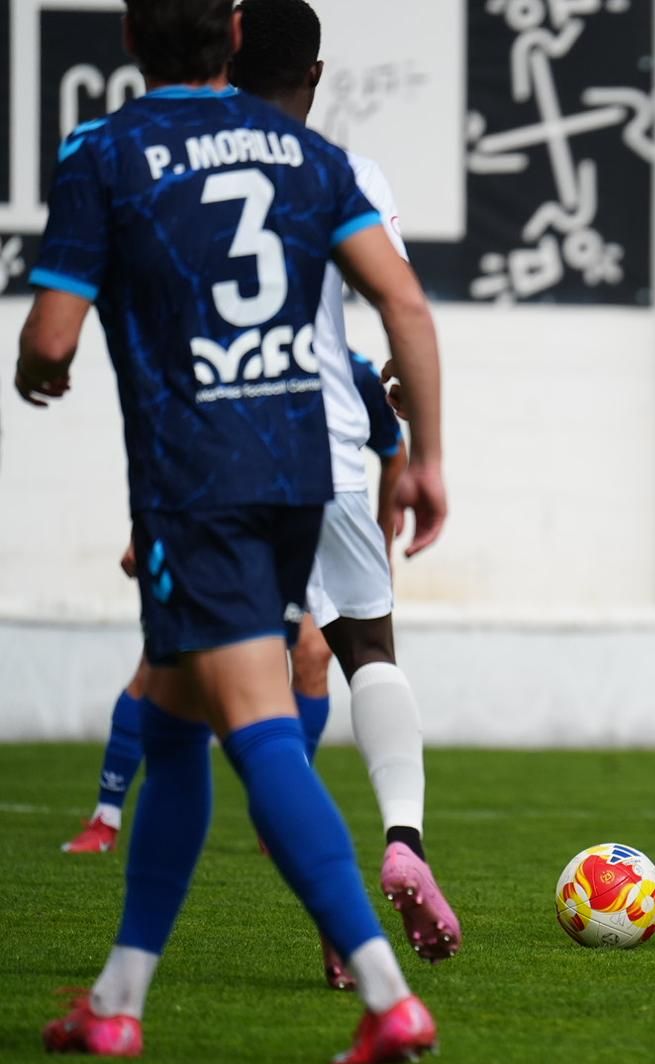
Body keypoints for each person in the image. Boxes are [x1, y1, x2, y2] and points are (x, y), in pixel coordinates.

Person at [18, 1, 445, 1061]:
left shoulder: (102, 149)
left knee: (252, 721)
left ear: (126, 37)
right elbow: (406, 305)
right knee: (171, 722)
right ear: (236, 31)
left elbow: (53, 336)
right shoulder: (309, 153)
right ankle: (117, 1000)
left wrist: (42, 363)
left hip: (194, 480)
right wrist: (424, 456)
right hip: (300, 472)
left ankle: (387, 993)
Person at [228, 0, 460, 972]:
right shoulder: (343, 173)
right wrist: (415, 448)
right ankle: (402, 839)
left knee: (237, 687)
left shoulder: (172, 162)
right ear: (316, 77)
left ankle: (133, 976)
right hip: (322, 442)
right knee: (368, 644)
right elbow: (399, 306)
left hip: (211, 451)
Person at [60, 354, 402, 865]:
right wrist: (144, 530)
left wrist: (381, 548)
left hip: (317, 536)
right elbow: (178, 446)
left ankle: (281, 811)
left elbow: (394, 454)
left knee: (312, 655)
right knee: (162, 667)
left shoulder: (352, 373)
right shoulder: (233, 358)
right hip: (237, 533)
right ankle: (106, 816)